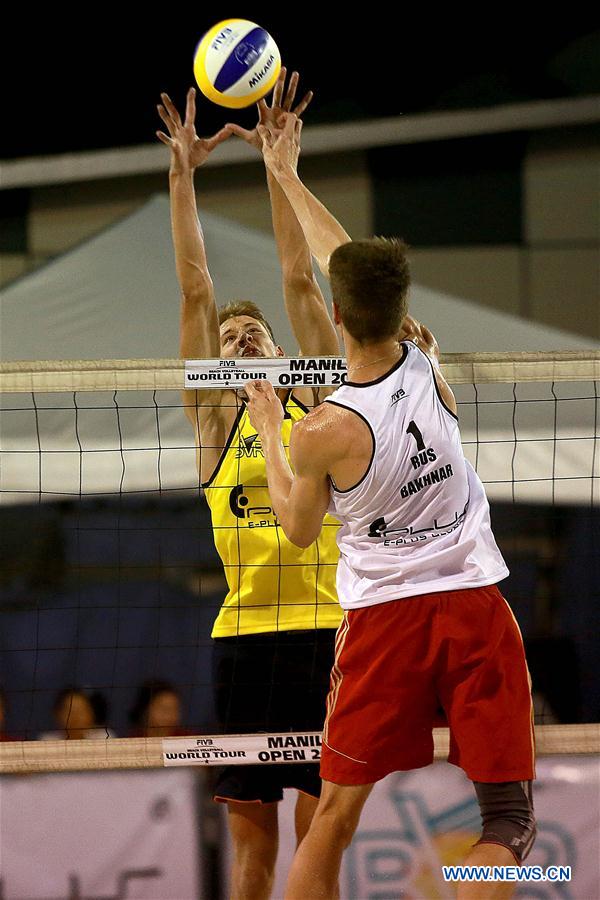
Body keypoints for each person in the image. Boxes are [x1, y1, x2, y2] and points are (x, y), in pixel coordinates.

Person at [245, 113, 536, 900]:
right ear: (400, 310)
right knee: (510, 823)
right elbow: (343, 264)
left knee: (334, 818)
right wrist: (287, 173)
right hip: (473, 604)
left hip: (383, 624)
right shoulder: (424, 360)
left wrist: (270, 427)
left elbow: (297, 531)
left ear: (337, 316)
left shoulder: (323, 430)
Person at [156, 71, 343, 899]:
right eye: (228, 337)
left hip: (332, 636)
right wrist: (182, 177)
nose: (237, 340)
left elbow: (301, 280)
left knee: (320, 844)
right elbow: (195, 287)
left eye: (252, 333)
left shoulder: (321, 402)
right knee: (253, 856)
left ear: (283, 353)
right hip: (246, 641)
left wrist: (278, 168)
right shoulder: (213, 421)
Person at [39, 686, 115, 740]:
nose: (75, 717)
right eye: (70, 711)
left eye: (80, 711)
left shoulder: (104, 737)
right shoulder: (47, 741)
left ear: (91, 714)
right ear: (57, 714)